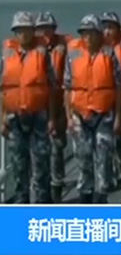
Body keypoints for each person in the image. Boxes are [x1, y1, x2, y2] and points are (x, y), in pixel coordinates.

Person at [64, 14, 121, 203]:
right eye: (84, 33)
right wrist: (68, 117)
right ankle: (85, 192)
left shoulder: (109, 55)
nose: (88, 37)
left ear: (99, 34)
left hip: (103, 114)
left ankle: (101, 194)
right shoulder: (73, 55)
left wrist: (118, 117)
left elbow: (118, 87)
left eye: (91, 33)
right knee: (83, 156)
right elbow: (67, 88)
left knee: (103, 156)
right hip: (79, 114)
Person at [1, 12, 57, 203]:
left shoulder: (43, 55)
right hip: (14, 117)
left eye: (26, 30)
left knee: (41, 160)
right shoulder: (7, 56)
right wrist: (1, 118)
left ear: (33, 32)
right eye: (19, 31)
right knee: (18, 162)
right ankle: (21, 199)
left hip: (38, 116)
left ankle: (42, 200)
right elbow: (2, 89)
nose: (23, 34)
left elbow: (51, 88)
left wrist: (52, 118)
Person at [35, 11, 70, 203]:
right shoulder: (33, 50)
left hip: (59, 104)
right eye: (41, 29)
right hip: (37, 107)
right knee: (39, 152)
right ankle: (42, 188)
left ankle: (57, 185)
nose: (44, 33)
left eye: (48, 29)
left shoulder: (64, 49)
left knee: (57, 146)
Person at [101, 11, 121, 190]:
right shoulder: (99, 49)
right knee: (105, 141)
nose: (107, 31)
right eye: (105, 27)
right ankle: (108, 175)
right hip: (105, 100)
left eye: (111, 27)